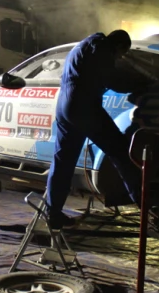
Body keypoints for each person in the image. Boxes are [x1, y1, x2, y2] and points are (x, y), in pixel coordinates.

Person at [45, 30, 142, 229]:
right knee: (120, 152)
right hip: (83, 105)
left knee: (62, 161)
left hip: (65, 105)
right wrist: (143, 84)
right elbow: (112, 79)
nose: (119, 59)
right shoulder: (102, 46)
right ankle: (148, 204)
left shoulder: (83, 45)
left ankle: (53, 213)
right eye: (121, 55)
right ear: (118, 46)